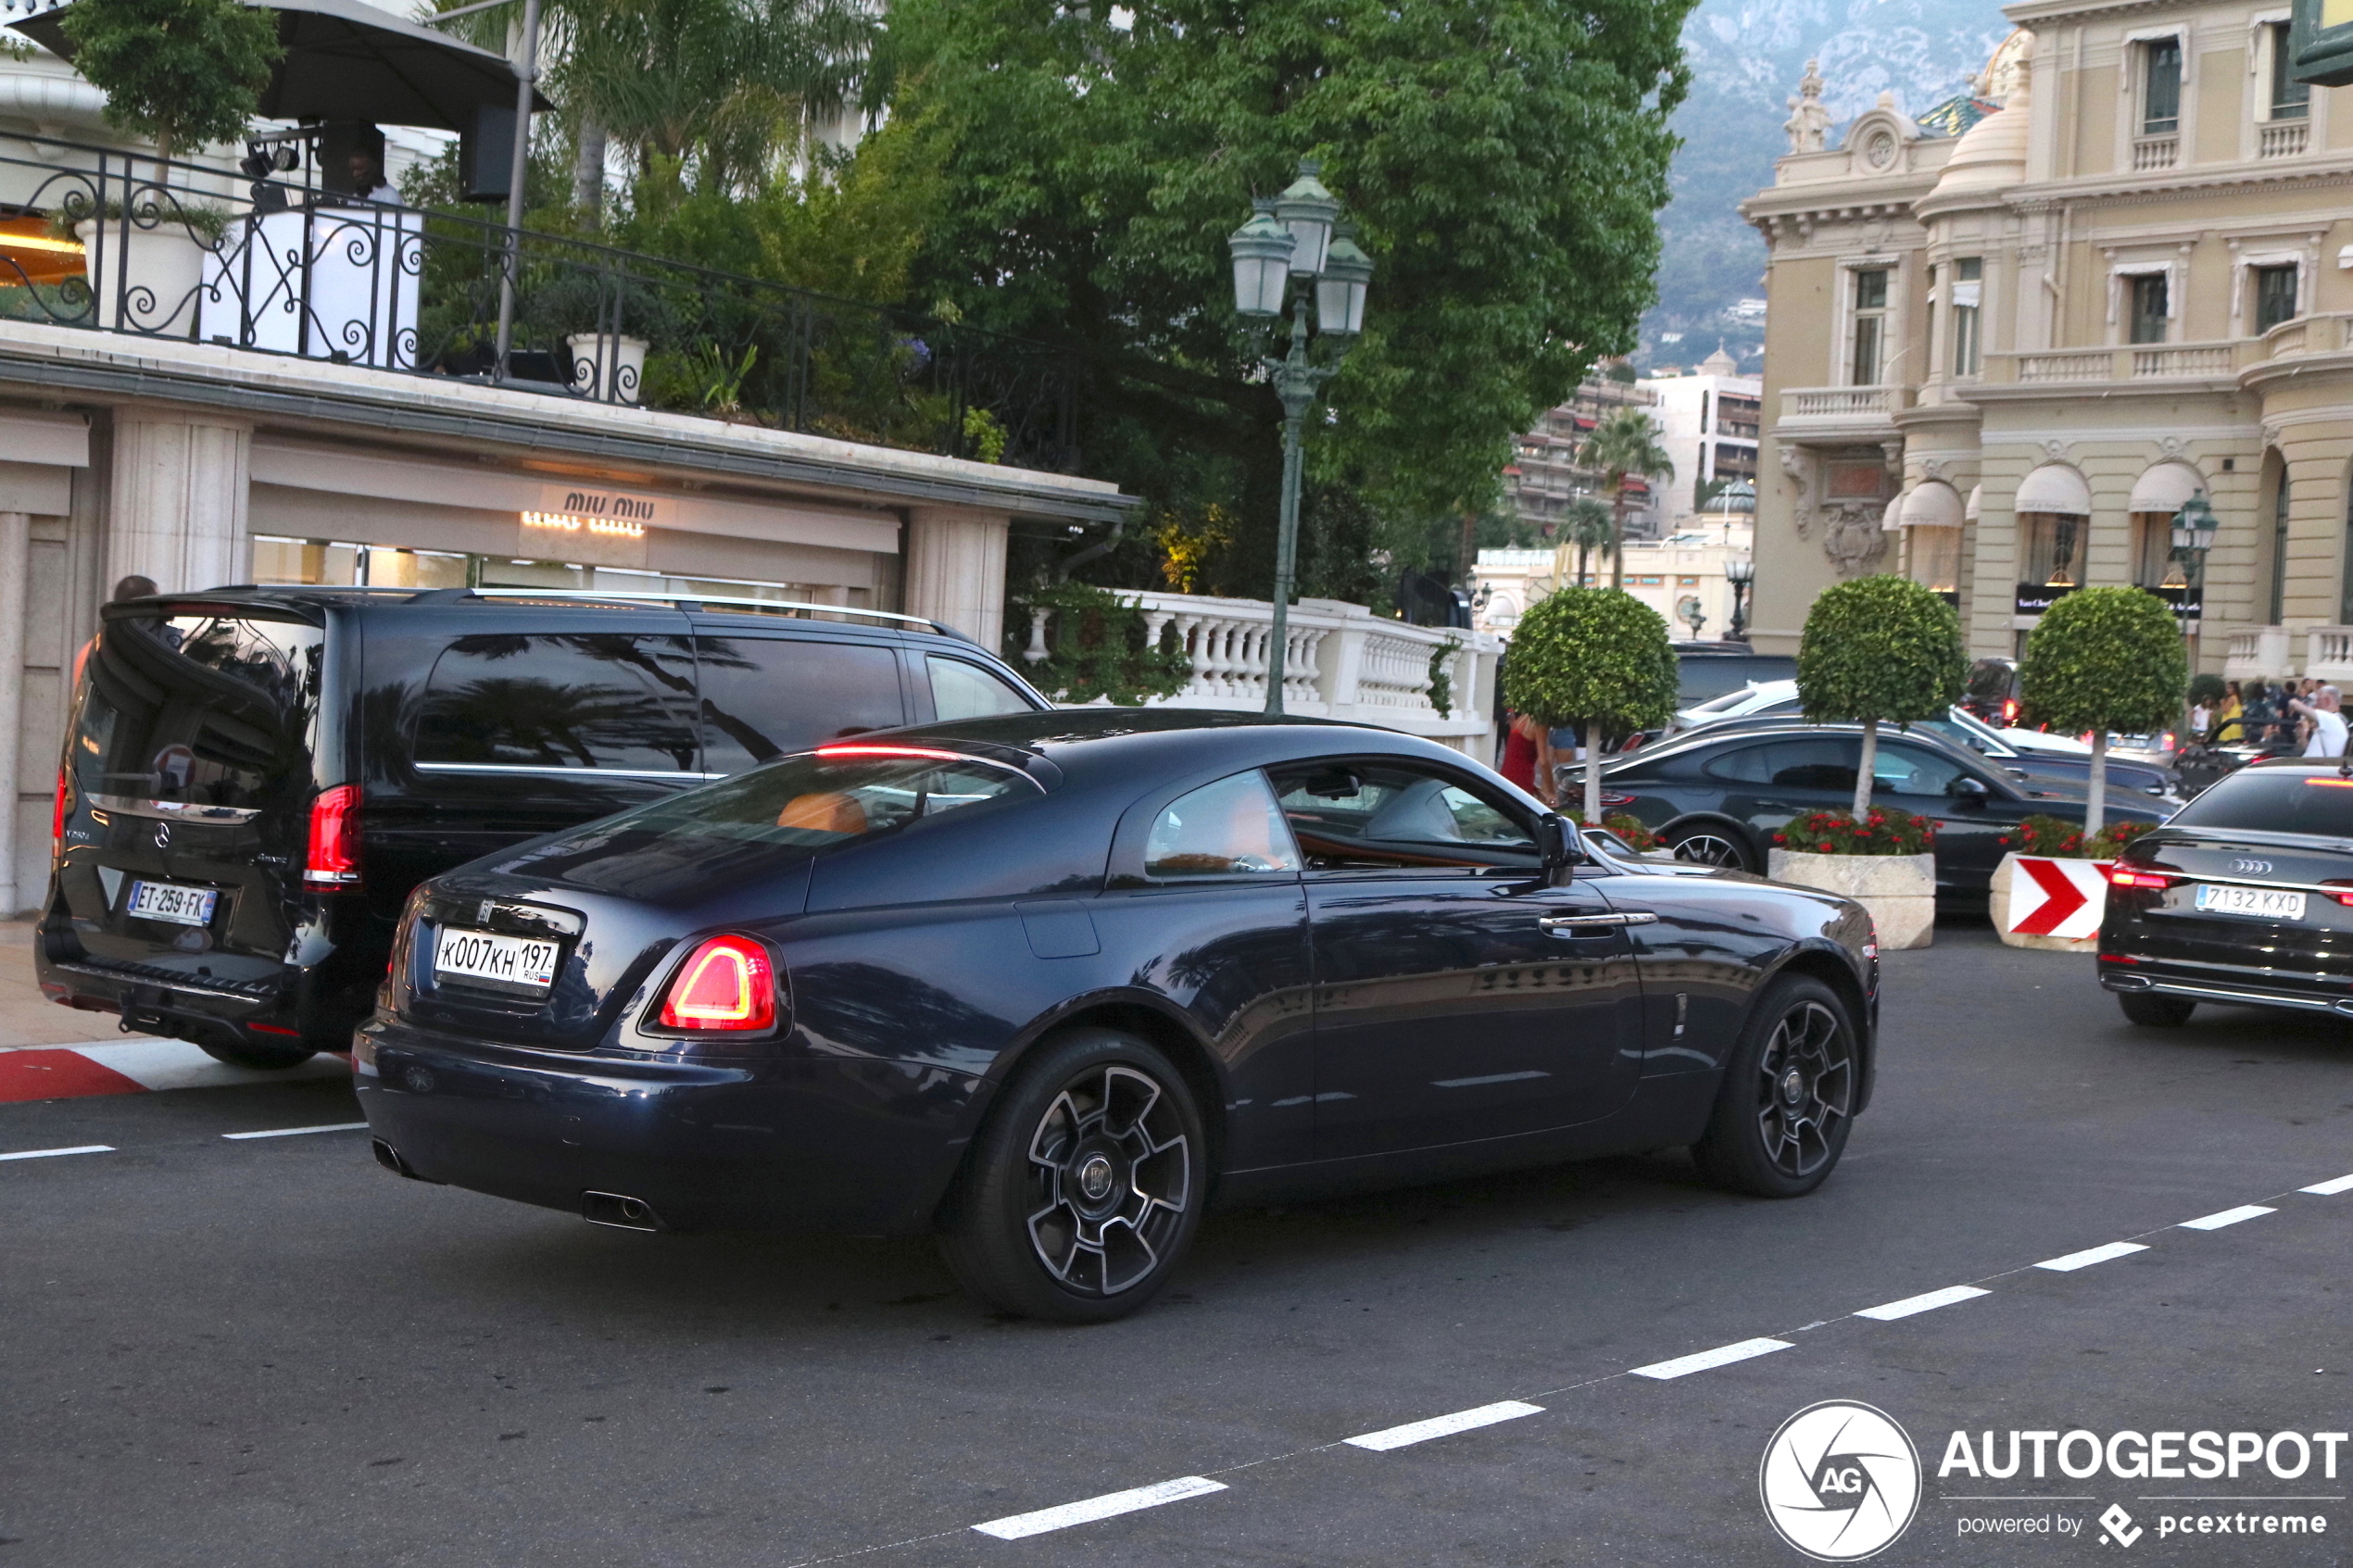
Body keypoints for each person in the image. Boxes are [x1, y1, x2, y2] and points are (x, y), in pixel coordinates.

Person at [1497, 711, 1556, 808]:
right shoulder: (1539, 723)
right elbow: (1543, 762)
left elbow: (1517, 755)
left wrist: (1535, 788)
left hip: (1506, 776)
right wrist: (1551, 792)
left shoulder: (1521, 720)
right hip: (1523, 780)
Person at [2294, 684, 2348, 759]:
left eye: (2318, 700)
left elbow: (2296, 705)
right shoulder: (2325, 723)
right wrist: (2302, 734)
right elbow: (2308, 749)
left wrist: (2292, 702)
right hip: (2310, 765)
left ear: (2326, 701)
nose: (2315, 704)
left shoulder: (2334, 719)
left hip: (2318, 767)